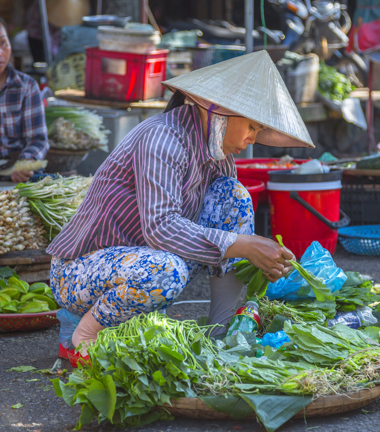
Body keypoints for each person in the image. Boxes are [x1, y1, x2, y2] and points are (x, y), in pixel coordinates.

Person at [47, 51, 314, 358]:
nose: (253, 138)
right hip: (79, 271)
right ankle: (85, 332)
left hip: (137, 263)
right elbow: (160, 228)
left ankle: (220, 334)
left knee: (235, 197)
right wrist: (245, 246)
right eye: (251, 126)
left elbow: (224, 229)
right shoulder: (162, 139)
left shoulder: (219, 157)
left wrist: (255, 256)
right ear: (219, 111)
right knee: (167, 271)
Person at [0, 18, 49, 183]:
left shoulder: (26, 86)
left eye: (3, 43)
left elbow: (38, 139)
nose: (0, 53)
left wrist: (27, 161)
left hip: (17, 182)